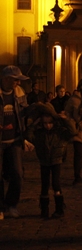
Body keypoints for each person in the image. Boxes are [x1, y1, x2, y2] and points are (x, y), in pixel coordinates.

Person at [26, 103, 76, 218]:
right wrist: (35, 124)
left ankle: (59, 208)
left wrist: (63, 120)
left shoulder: (59, 132)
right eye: (45, 123)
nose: (47, 126)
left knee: (56, 184)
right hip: (44, 160)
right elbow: (28, 135)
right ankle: (44, 209)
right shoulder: (39, 133)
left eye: (50, 123)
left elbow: (72, 132)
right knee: (44, 185)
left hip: (56, 160)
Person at [0, 65, 30, 219]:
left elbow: (24, 114)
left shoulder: (19, 93)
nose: (18, 83)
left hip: (15, 139)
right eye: (15, 80)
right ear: (5, 79)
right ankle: (0, 207)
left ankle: (11, 204)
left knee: (18, 174)